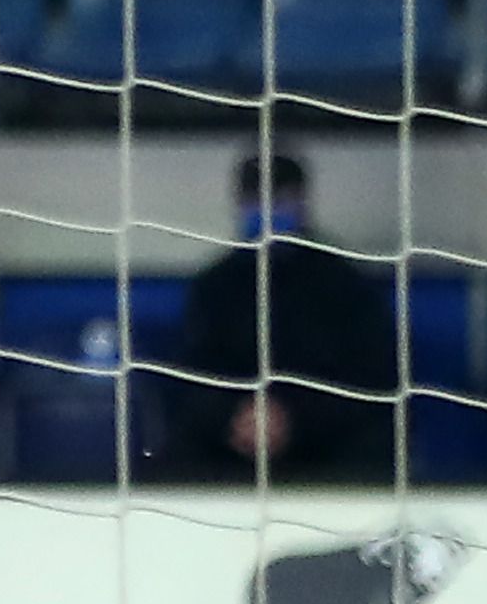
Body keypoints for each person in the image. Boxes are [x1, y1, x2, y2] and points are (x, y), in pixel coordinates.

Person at [152, 149, 401, 483]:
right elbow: (192, 376)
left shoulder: (345, 285)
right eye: (256, 199)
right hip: (231, 444)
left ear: (301, 201)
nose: (267, 209)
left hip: (327, 447)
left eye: (278, 198)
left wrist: (292, 419)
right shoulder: (215, 286)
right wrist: (233, 416)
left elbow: (371, 380)